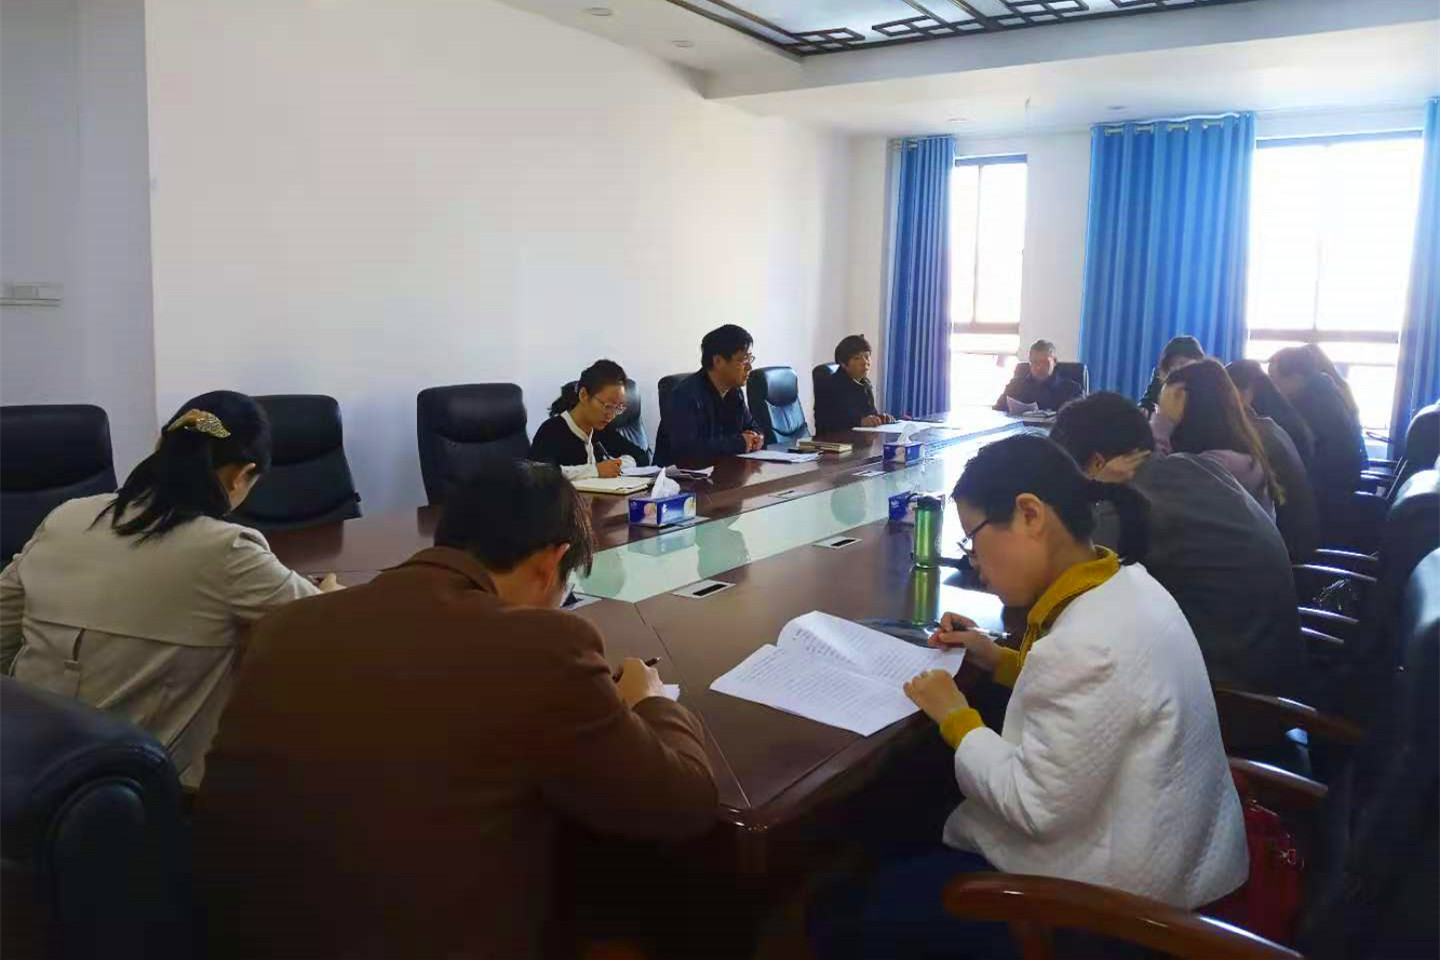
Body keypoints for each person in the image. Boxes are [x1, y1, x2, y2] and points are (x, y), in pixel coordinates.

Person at [194, 461, 717, 960]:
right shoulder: (543, 646)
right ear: (550, 563)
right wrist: (650, 700)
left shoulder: (283, 627)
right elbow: (683, 804)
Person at [811, 435, 1246, 960]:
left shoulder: (1088, 645)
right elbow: (1092, 704)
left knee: (852, 911)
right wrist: (997, 658)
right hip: (1174, 854)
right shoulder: (1128, 585)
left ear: (1030, 515)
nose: (975, 563)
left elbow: (1032, 806)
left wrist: (956, 717)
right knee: (910, 815)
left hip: (1110, 916)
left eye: (974, 540)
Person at [0, 391, 338, 786]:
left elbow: (3, 627)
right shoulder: (227, 550)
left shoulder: (67, 516)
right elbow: (329, 629)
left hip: (27, 769)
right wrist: (331, 592)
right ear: (241, 475)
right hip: (147, 787)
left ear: (160, 445)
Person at [1051, 393, 1307, 697]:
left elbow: (1065, 592)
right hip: (1280, 673)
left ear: (1096, 463)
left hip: (1231, 698)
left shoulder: (1126, 504)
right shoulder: (1200, 466)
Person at [1153, 359, 1284, 516]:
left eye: (1164, 406)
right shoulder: (1238, 448)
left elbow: (1154, 483)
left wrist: (1164, 421)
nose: (1161, 411)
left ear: (1192, 406)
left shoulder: (1220, 463)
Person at [1225, 360, 1320, 561]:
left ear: (1243, 394)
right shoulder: (1274, 422)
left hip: (1285, 547)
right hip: (1298, 535)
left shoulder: (1257, 433)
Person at [654, 324, 763, 465]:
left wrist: (757, 438)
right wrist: (740, 443)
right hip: (682, 476)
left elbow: (752, 426)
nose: (749, 367)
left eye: (750, 358)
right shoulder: (684, 395)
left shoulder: (734, 392)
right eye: (743, 360)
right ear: (718, 361)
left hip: (725, 471)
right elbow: (688, 450)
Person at [1269, 345, 1366, 495]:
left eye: (1276, 381)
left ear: (1296, 378)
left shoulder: (1315, 402)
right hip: (1341, 473)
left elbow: (1310, 447)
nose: (1275, 388)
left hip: (1331, 481)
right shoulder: (1322, 389)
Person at [529, 359, 640, 479]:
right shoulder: (551, 431)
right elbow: (538, 475)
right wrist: (595, 471)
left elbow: (640, 456)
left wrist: (617, 465)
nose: (611, 415)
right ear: (583, 395)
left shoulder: (602, 429)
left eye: (618, 408)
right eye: (607, 406)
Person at [815, 334, 895, 433]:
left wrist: (880, 419)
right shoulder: (832, 386)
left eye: (867, 356)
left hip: (861, 438)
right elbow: (830, 422)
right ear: (843, 364)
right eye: (857, 358)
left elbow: (869, 414)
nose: (865, 362)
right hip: (836, 440)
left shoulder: (865, 383)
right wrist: (860, 422)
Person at [993, 339, 1082, 412]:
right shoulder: (1015, 385)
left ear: (1054, 362)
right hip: (1019, 428)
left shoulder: (1071, 389)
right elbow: (998, 410)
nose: (1039, 367)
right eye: (1035, 362)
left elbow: (1077, 419)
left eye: (1044, 362)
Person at [1138, 335, 1205, 414]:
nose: (1178, 369)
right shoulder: (1160, 376)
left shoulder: (1206, 386)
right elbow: (1147, 401)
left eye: (1183, 363)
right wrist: (1144, 409)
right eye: (1172, 365)